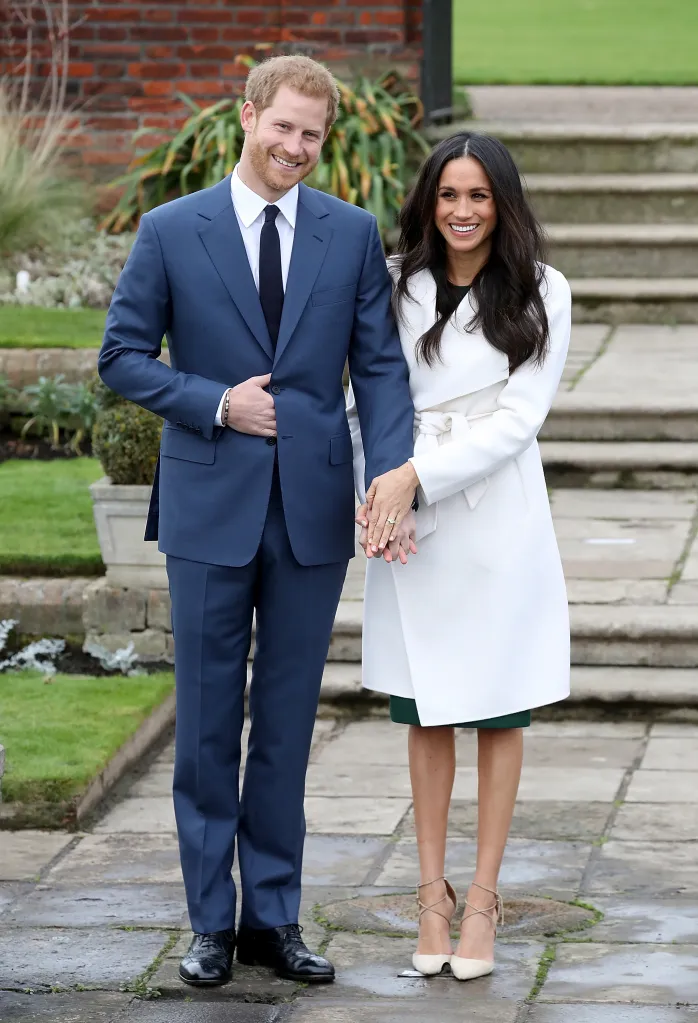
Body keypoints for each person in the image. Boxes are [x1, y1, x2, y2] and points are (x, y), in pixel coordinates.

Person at [98, 55, 417, 988]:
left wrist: (392, 473)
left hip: (313, 513)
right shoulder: (171, 230)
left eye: (312, 135)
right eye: (283, 127)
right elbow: (121, 356)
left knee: (284, 724)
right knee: (204, 724)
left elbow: (382, 369)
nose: (297, 148)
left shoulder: (351, 234)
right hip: (207, 505)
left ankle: (272, 916)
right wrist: (213, 402)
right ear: (247, 116)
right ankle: (207, 921)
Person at [348, 131, 571, 982]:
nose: (463, 211)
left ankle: (483, 899)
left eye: (479, 195)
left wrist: (414, 477)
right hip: (409, 519)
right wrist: (382, 495)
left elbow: (519, 421)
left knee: (499, 705)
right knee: (426, 704)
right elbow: (371, 391)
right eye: (449, 195)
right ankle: (429, 895)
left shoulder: (545, 290)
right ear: (428, 201)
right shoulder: (396, 282)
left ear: (503, 201)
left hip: (496, 519)